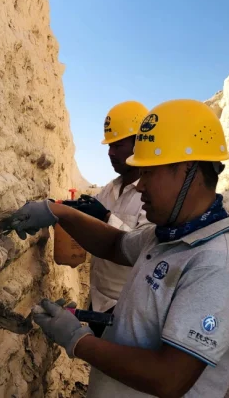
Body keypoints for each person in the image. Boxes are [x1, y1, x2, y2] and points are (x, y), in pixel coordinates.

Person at [11, 99, 229, 397]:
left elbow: (169, 378)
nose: (140, 185)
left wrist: (78, 340)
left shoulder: (217, 267)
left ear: (188, 171)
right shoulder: (163, 237)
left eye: (150, 172)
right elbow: (115, 244)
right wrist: (60, 213)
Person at [62, 100, 151, 338]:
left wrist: (104, 217)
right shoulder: (110, 190)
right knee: (100, 369)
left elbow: (145, 247)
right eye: (109, 145)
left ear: (139, 143)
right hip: (99, 301)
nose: (110, 153)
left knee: (119, 369)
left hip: (129, 306)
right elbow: (87, 222)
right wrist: (61, 211)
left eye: (118, 145)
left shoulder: (153, 194)